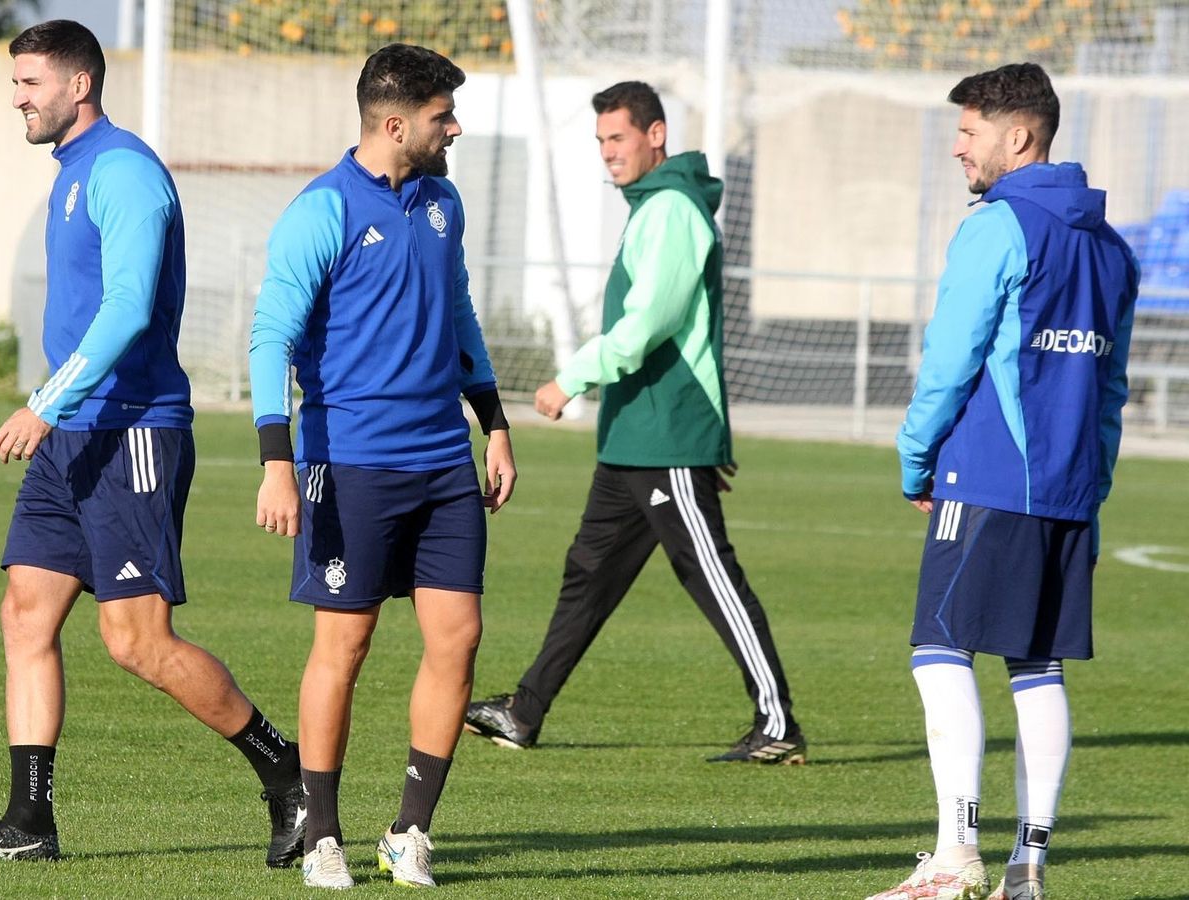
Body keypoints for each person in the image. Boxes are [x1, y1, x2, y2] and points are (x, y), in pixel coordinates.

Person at [0, 19, 305, 868]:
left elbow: (131, 307)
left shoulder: (126, 172)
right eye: (15, 83)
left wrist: (45, 404)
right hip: (75, 437)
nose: (17, 99)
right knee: (26, 613)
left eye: (30, 83)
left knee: (137, 642)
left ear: (80, 85)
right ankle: (30, 824)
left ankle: (287, 773)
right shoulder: (71, 173)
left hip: (131, 431)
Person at [462, 81, 803, 764]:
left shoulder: (673, 208)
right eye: (600, 142)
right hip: (635, 435)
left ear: (655, 134)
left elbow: (652, 323)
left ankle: (778, 724)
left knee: (709, 574)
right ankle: (525, 711)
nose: (607, 154)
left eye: (617, 138)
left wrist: (569, 379)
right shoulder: (653, 206)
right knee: (587, 575)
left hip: (664, 431)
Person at [864, 63, 1137, 900]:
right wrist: (1090, 482)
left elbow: (949, 362)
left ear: (1019, 136)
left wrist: (916, 457)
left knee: (938, 650)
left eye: (970, 131)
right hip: (1068, 490)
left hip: (988, 478)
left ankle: (954, 860)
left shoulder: (997, 228)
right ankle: (1029, 868)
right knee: (1037, 664)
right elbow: (1112, 386)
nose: (959, 148)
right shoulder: (1111, 247)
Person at [248, 43, 516, 890]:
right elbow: (270, 341)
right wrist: (275, 462)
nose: (456, 128)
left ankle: (408, 831)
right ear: (396, 123)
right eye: (444, 116)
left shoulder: (444, 203)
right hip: (349, 462)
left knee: (459, 639)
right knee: (347, 643)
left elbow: (459, 312)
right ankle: (323, 834)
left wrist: (495, 423)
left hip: (442, 461)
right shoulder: (320, 210)